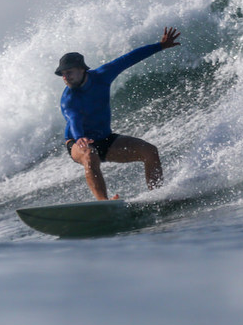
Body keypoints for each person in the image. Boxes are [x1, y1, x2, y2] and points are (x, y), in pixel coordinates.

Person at [56, 27, 181, 200]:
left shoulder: (102, 76)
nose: (65, 77)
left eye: (68, 72)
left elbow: (128, 58)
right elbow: (73, 119)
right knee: (89, 154)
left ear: (81, 69)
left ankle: (157, 198)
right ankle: (104, 204)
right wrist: (80, 138)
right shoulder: (68, 99)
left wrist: (160, 46)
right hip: (78, 142)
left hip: (106, 140)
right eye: (62, 74)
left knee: (150, 151)